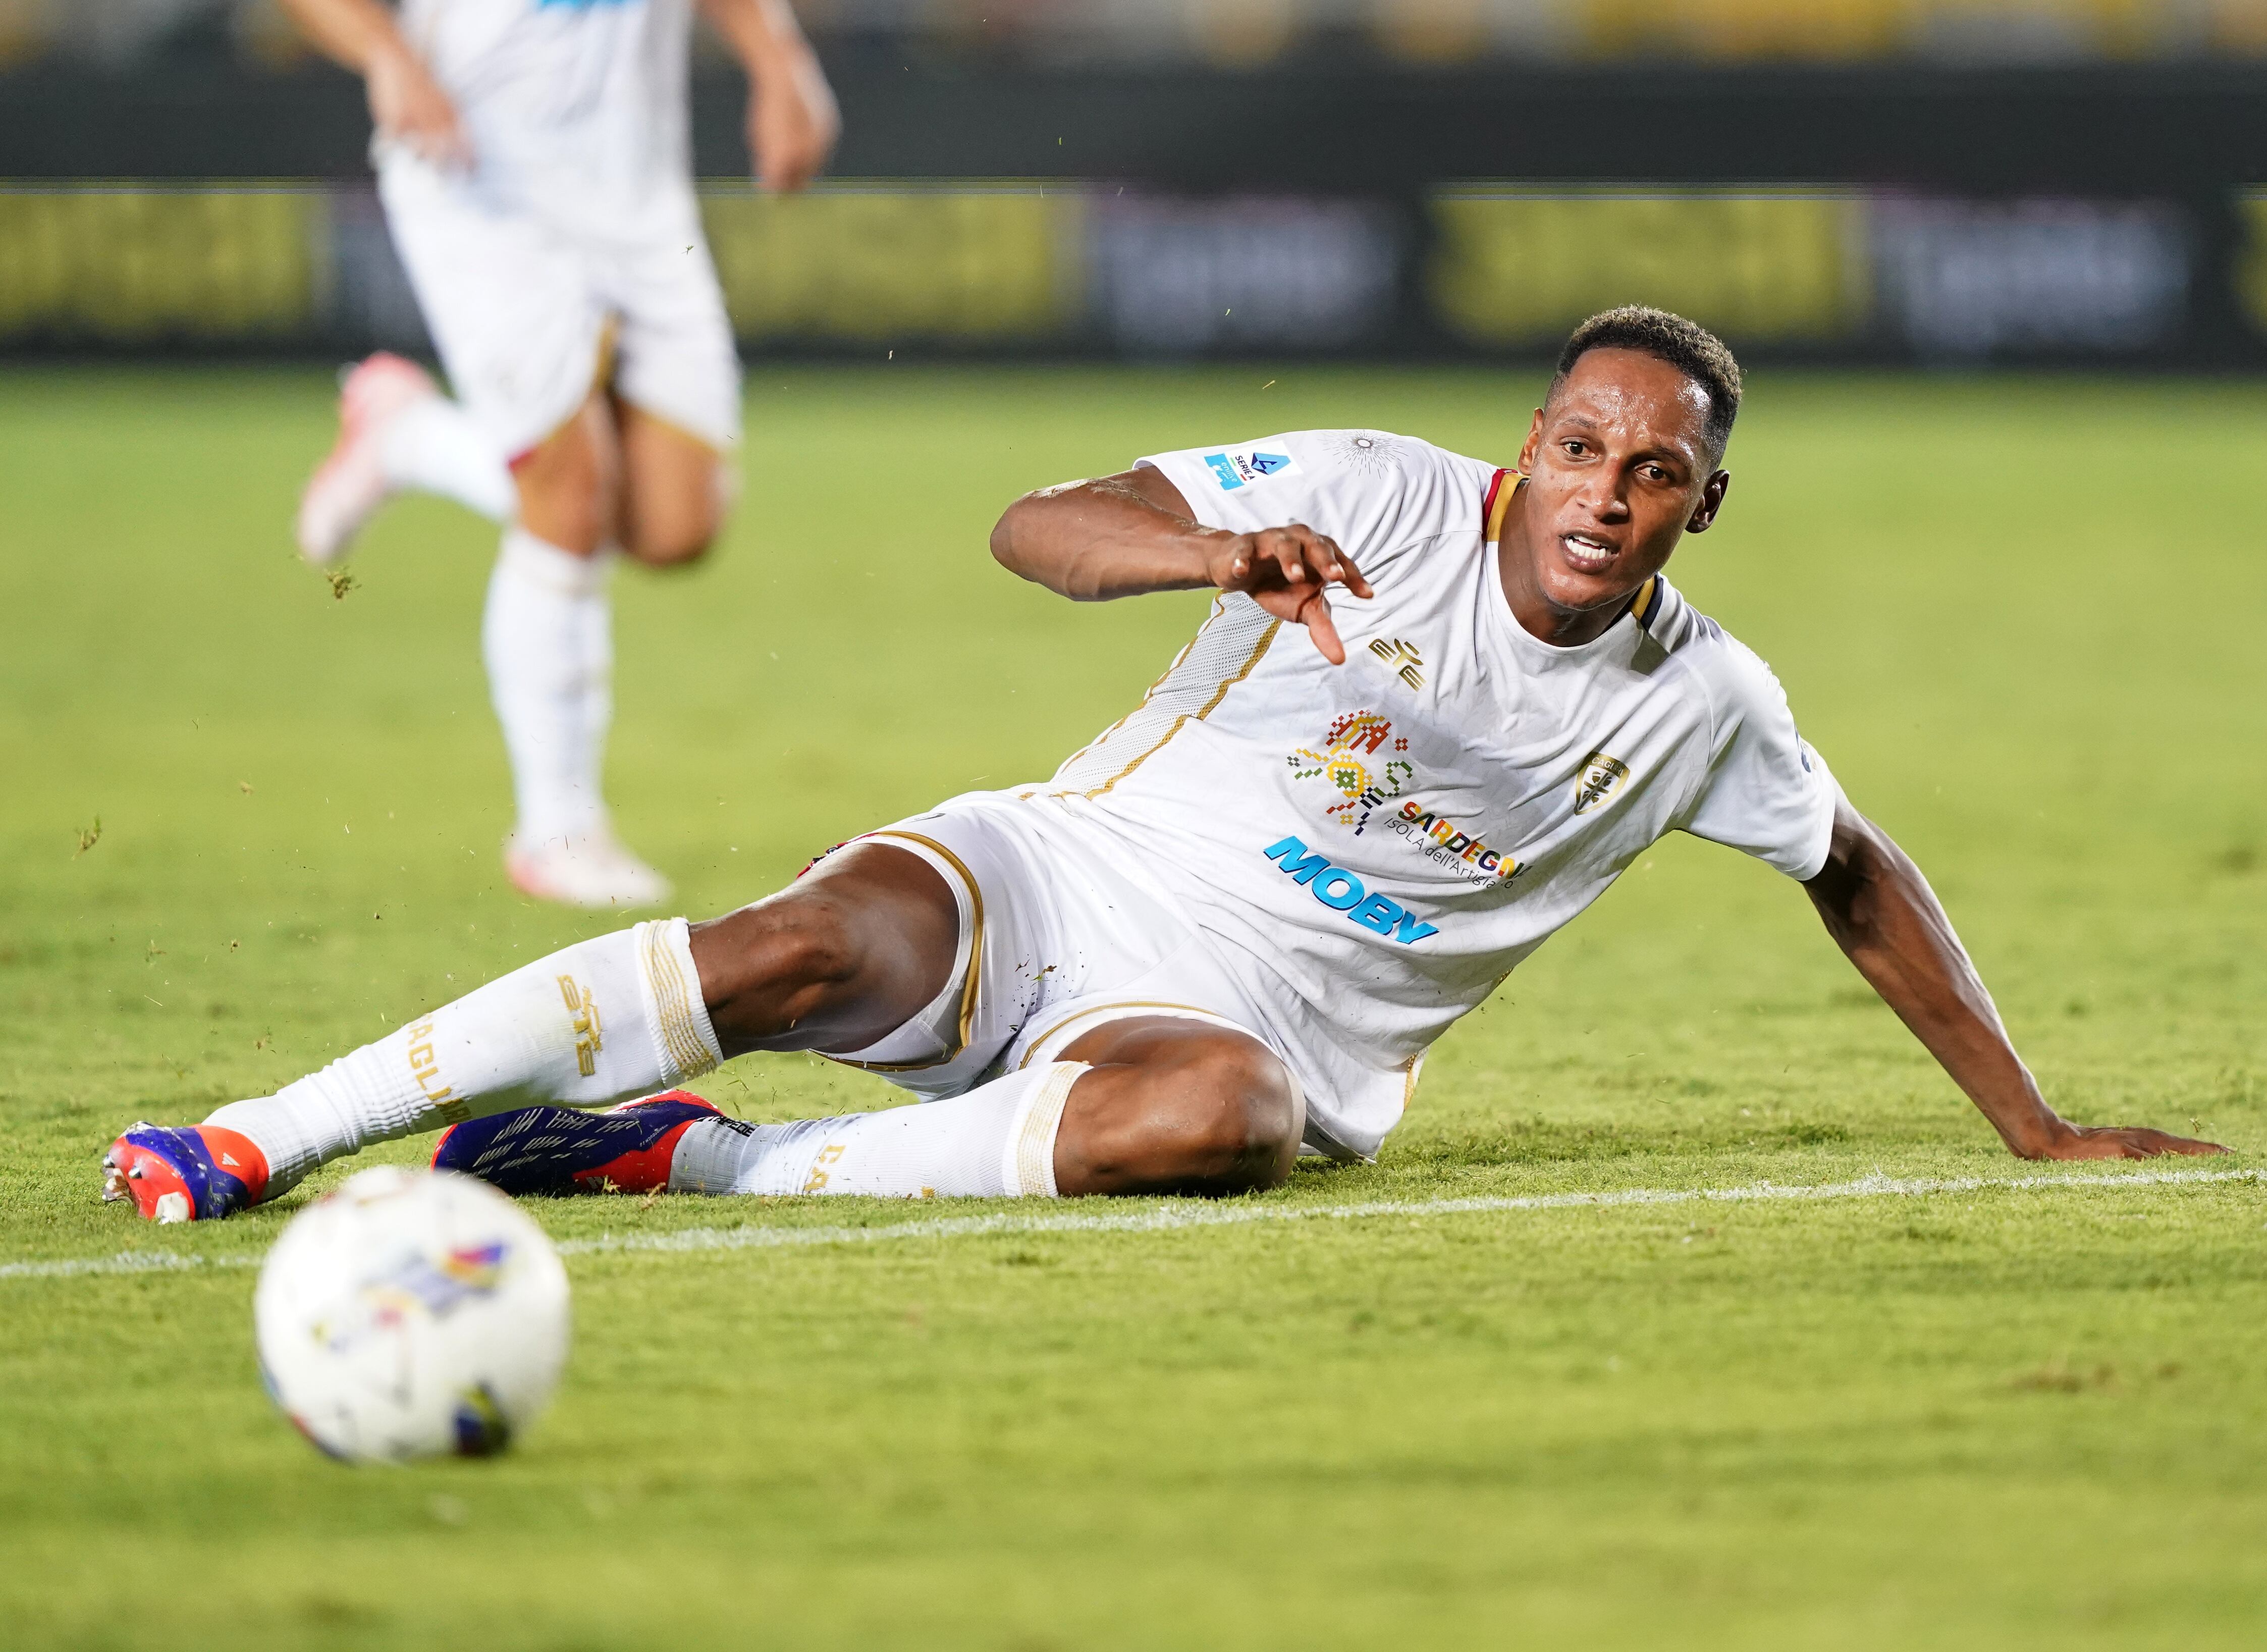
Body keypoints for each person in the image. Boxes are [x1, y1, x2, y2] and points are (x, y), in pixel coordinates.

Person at [102, 306, 2223, 1223]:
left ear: (1696, 510)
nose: (1603, 490)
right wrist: (1206, 551)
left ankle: (687, 1162)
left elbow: (1852, 868)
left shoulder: (1702, 703)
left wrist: (2028, 1125)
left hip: (1225, 1015)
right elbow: (1037, 520)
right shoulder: (1379, 495)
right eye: (1579, 447)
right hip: (1061, 870)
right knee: (796, 938)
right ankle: (261, 1131)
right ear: (1524, 451)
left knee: (1228, 1119)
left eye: (1653, 474)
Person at [281, 0, 839, 908]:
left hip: (636, 196)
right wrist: (386, 54)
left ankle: (411, 435)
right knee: (571, 502)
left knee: (674, 524)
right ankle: (557, 829)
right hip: (476, 177)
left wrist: (781, 65)